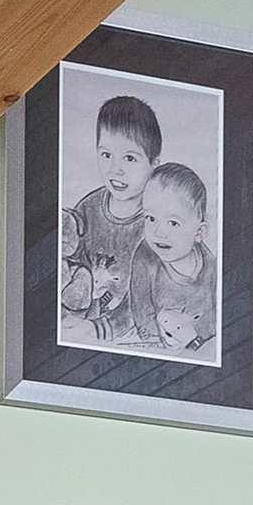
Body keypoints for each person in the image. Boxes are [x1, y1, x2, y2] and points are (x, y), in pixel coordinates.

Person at [59, 93, 162, 344]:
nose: (115, 169)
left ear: (154, 165)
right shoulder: (88, 207)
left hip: (128, 333)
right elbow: (67, 268)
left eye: (130, 158)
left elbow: (146, 299)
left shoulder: (156, 226)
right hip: (80, 323)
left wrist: (99, 330)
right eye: (106, 155)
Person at [124, 162, 218, 356]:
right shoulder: (145, 256)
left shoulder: (211, 267)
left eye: (173, 223)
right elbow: (141, 309)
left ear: (199, 232)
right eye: (150, 218)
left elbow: (214, 318)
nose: (158, 232)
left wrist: (193, 341)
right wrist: (156, 343)